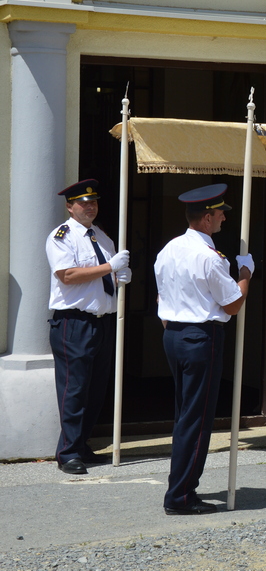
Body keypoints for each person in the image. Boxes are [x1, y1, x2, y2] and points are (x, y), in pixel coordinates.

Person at [154, 184, 253, 514]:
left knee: (186, 416)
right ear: (207, 218)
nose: (224, 217)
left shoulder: (169, 249)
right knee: (195, 421)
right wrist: (245, 273)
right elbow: (233, 304)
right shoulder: (210, 258)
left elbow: (162, 296)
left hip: (174, 334)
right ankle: (180, 496)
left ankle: (180, 488)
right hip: (200, 337)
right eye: (220, 213)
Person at [46, 179, 131, 475]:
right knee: (75, 390)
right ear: (70, 207)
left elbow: (103, 276)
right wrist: (110, 267)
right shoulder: (62, 236)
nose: (90, 207)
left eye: (93, 202)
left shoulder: (102, 237)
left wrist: (119, 277)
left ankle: (81, 445)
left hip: (102, 321)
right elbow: (67, 275)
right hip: (75, 323)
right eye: (83, 203)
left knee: (96, 390)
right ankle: (67, 452)